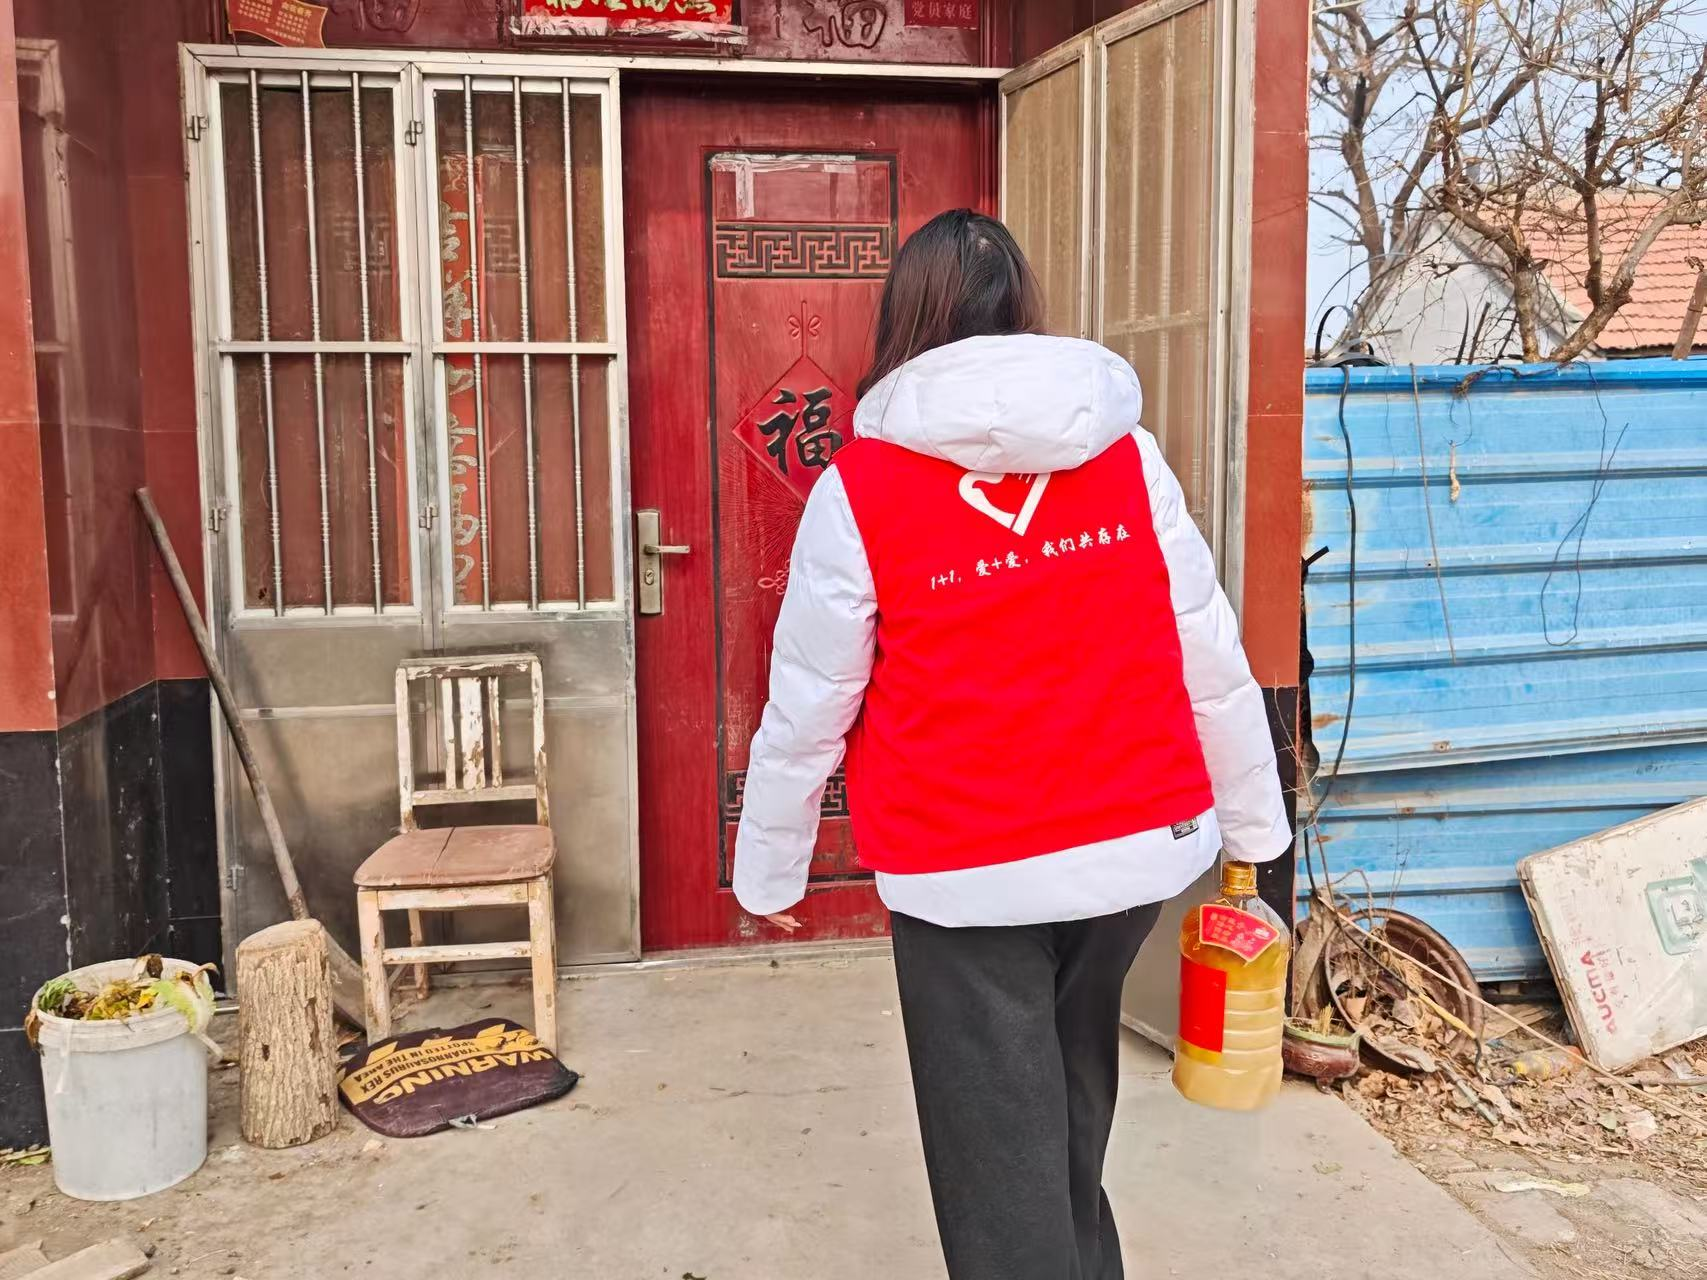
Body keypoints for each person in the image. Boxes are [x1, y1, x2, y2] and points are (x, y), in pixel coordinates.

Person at [731, 209, 1290, 1280]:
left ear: (904, 321)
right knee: (1072, 1104)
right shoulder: (1125, 458)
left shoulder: (861, 487)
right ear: (1023, 310)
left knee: (997, 1167)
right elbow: (1208, 652)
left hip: (962, 869)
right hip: (1128, 853)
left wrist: (767, 869)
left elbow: (810, 698)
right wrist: (1253, 833)